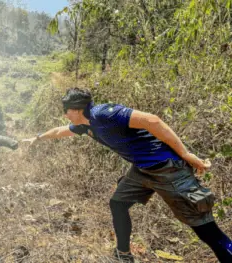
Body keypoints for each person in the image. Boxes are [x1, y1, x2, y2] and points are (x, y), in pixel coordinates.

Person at [22, 87, 232, 262]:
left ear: (76, 110)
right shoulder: (85, 126)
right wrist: (36, 138)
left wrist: (186, 154)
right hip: (142, 170)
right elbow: (60, 131)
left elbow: (152, 120)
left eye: (66, 110)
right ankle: (123, 254)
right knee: (118, 203)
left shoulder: (104, 113)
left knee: (204, 228)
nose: (65, 115)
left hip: (169, 170)